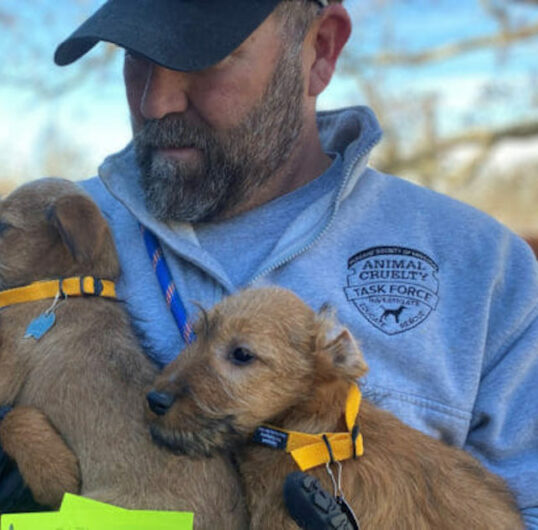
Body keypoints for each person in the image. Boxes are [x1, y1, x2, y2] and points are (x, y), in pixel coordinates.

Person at [53, 0, 537, 526]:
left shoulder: (484, 265)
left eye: (204, 56)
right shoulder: (41, 227)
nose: (155, 102)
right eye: (135, 53)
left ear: (321, 50)